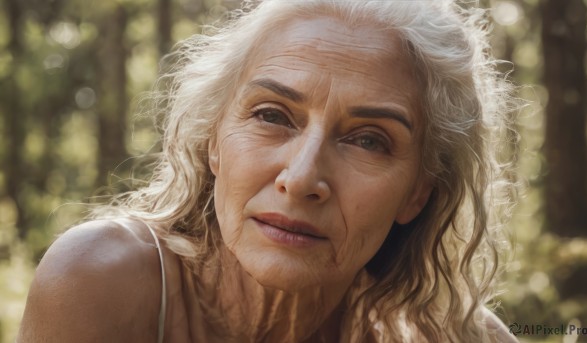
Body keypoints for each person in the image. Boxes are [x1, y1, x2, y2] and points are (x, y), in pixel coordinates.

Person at [18, 0, 520, 341]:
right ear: (214, 139)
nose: (301, 179)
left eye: (369, 140)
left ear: (417, 192)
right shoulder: (99, 282)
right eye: (271, 116)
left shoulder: (441, 335)